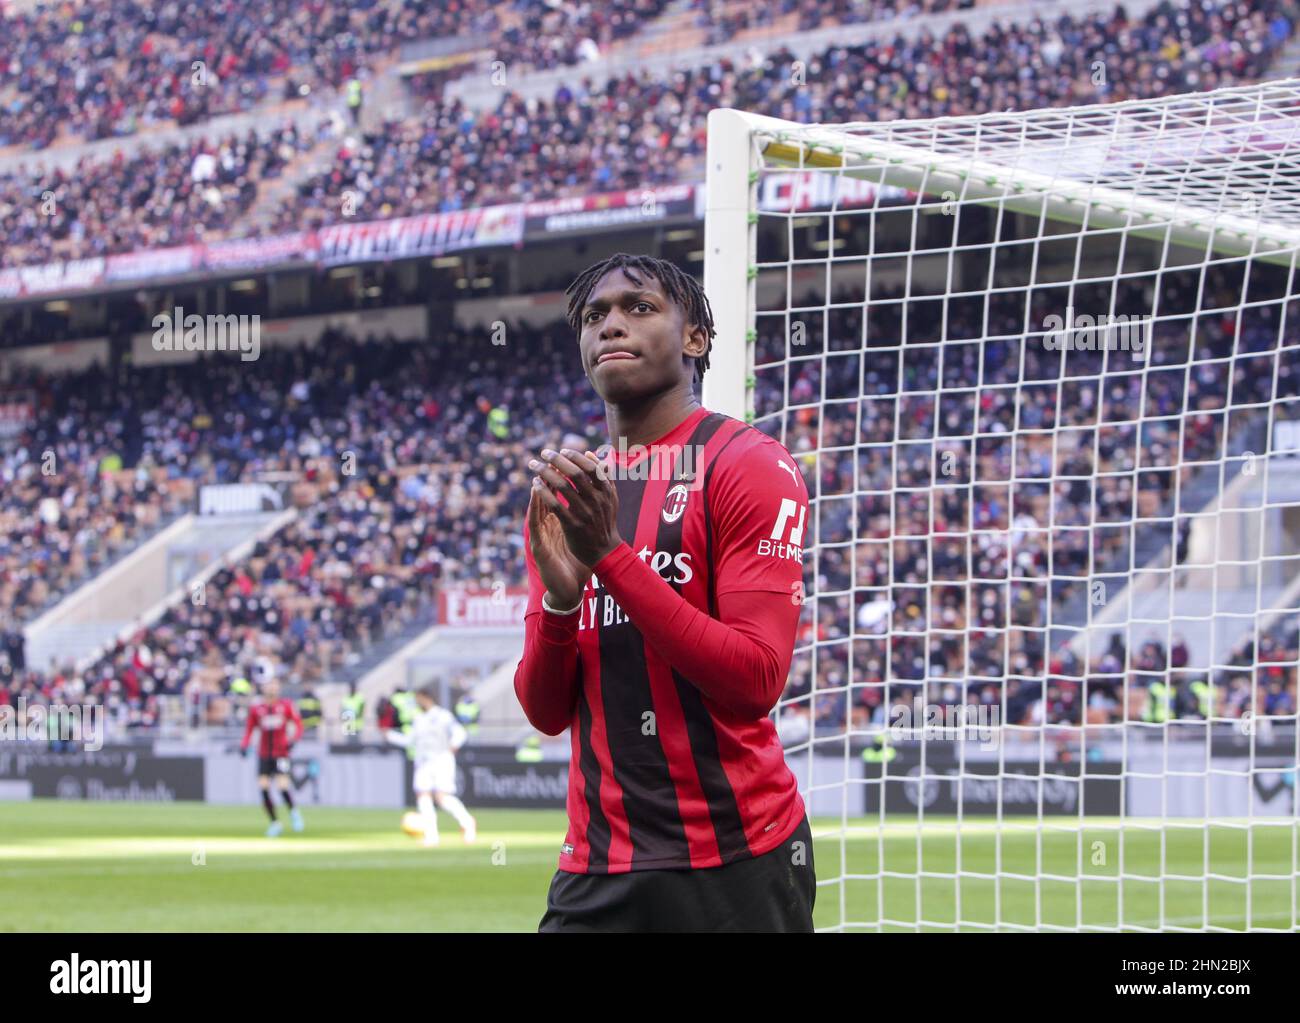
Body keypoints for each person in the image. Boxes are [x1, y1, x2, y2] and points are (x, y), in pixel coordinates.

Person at [513, 253, 816, 932]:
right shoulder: (572, 492)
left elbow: (756, 678)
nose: (611, 326)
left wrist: (611, 558)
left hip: (737, 857)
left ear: (695, 339)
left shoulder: (748, 464)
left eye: (638, 308)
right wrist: (561, 607)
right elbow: (544, 710)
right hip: (598, 865)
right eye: (596, 316)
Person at [385, 684, 476, 847]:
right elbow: (409, 740)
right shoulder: (418, 719)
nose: (416, 702)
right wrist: (390, 735)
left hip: (441, 759)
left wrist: (452, 747)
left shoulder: (443, 716)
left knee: (442, 797)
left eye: (418, 699)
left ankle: (467, 822)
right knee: (423, 796)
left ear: (426, 697)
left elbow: (460, 733)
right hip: (423, 762)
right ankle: (431, 834)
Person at [240, 678, 304, 837]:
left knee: (282, 786)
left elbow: (298, 725)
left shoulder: (285, 706)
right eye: (269, 685)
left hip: (281, 754)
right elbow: (249, 730)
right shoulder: (257, 709)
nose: (272, 688)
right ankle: (275, 822)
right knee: (264, 788)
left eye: (275, 685)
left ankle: (293, 812)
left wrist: (293, 740)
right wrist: (244, 745)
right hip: (263, 754)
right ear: (264, 688)